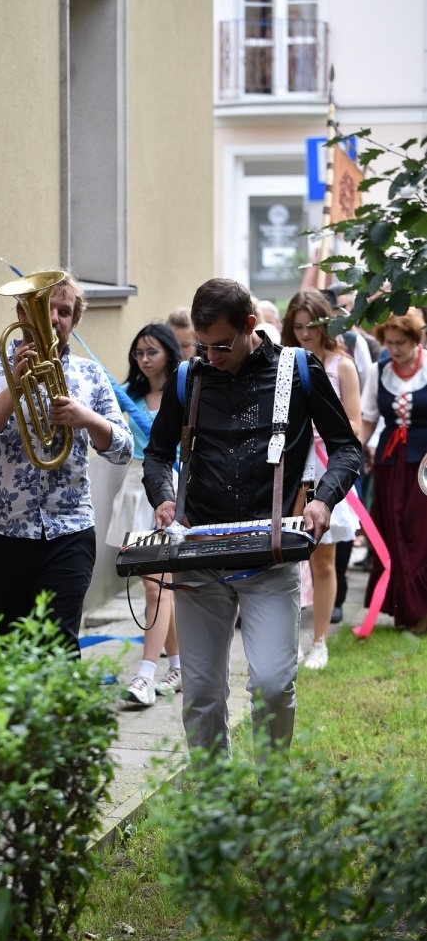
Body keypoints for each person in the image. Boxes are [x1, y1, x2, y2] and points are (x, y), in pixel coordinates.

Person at [143, 278, 361, 760]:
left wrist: (323, 500)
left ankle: (273, 795)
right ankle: (215, 804)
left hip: (271, 554)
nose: (211, 356)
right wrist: (162, 497)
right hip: (199, 555)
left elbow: (346, 449)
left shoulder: (299, 369)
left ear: (249, 325)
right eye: (202, 346)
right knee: (200, 692)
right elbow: (157, 456)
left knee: (272, 684)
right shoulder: (189, 377)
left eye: (221, 344)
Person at [0, 270, 133, 653]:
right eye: (46, 308)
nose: (54, 318)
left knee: (60, 644)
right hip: (3, 532)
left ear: (73, 321)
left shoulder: (90, 375)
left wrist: (87, 418)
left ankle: (62, 715)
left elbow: (123, 448)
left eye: (65, 311)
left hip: (69, 529)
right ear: (22, 314)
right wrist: (13, 389)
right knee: (13, 646)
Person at [281, 290, 361, 668]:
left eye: (311, 326)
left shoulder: (341, 366)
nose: (305, 334)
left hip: (327, 465)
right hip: (293, 469)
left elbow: (355, 425)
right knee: (288, 558)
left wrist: (321, 428)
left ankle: (320, 640)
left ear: (325, 323)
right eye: (297, 327)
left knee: (324, 560)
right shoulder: (285, 364)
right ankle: (289, 638)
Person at [105, 323, 183, 705]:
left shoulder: (184, 391)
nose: (144, 359)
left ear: (169, 352)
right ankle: (180, 666)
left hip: (170, 488)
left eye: (152, 351)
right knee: (155, 585)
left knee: (158, 585)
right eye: (138, 353)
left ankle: (145, 676)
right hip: (136, 487)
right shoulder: (129, 394)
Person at [360, 308, 427, 633]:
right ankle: (407, 609)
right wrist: (350, 449)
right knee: (394, 528)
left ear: (417, 339)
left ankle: (422, 608)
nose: (395, 349)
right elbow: (370, 417)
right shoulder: (379, 369)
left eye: (401, 342)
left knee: (420, 531)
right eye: (389, 343)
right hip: (390, 460)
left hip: (424, 463)